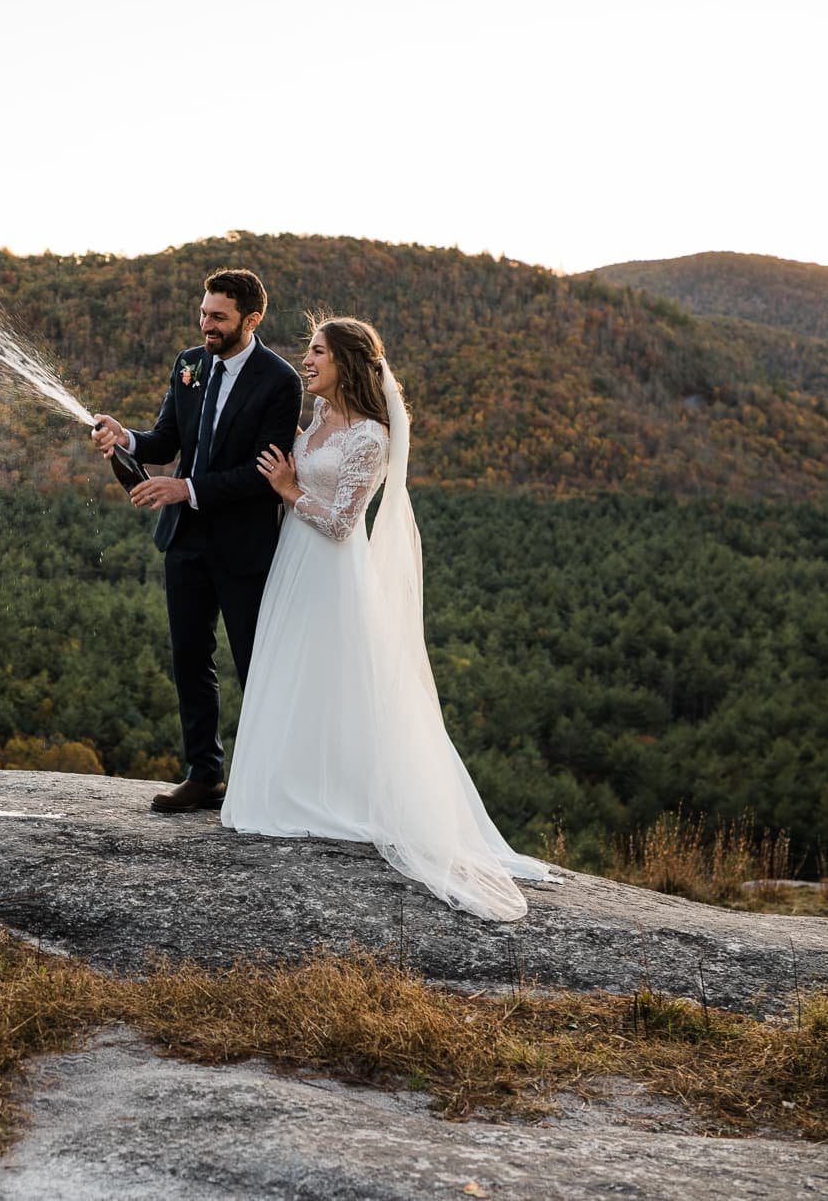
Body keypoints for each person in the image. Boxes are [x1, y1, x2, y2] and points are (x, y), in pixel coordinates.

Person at [224, 316, 559, 920]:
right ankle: (287, 788)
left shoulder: (372, 438)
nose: (307, 360)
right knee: (291, 676)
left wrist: (286, 489)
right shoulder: (319, 420)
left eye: (318, 352)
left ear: (346, 363)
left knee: (332, 681)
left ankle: (340, 797)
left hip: (331, 572)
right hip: (292, 565)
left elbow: (340, 523)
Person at [92, 269, 303, 812]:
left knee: (255, 661)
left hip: (245, 544)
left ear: (250, 320)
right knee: (189, 654)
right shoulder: (188, 364)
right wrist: (126, 437)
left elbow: (263, 475)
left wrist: (183, 488)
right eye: (203, 313)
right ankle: (204, 773)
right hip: (185, 540)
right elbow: (166, 438)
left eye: (218, 317)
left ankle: (269, 782)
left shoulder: (279, 381)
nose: (205, 324)